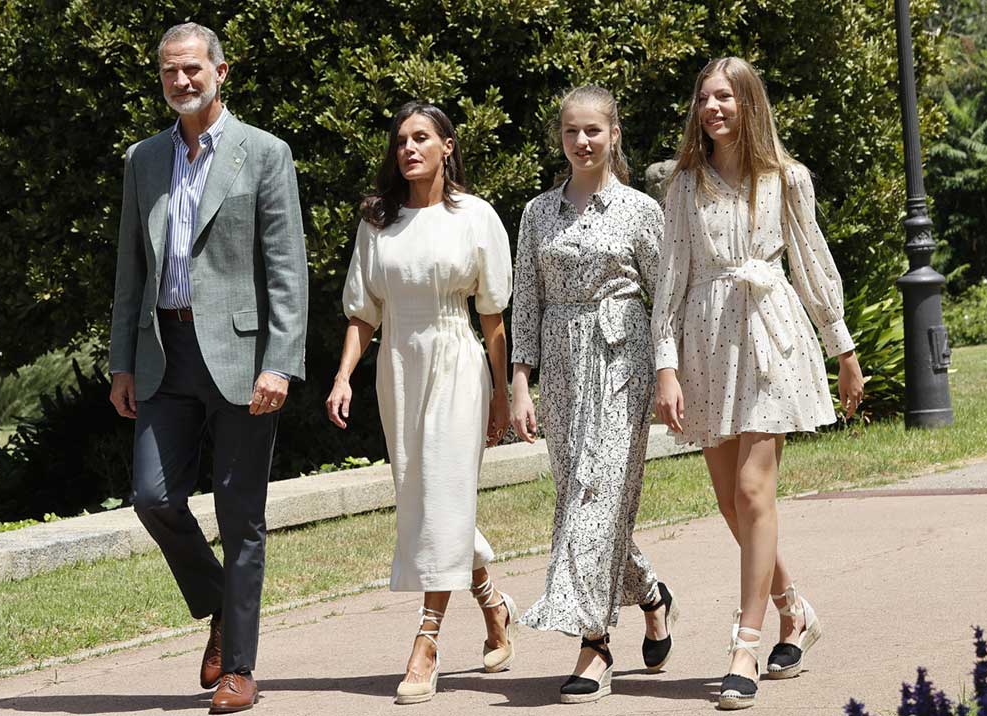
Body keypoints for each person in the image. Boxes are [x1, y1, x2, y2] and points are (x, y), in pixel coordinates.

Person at [652, 57, 865, 710]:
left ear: (748, 103)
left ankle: (744, 645)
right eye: (703, 98)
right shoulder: (683, 184)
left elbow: (812, 260)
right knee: (729, 503)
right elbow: (670, 275)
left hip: (770, 336)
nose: (711, 107)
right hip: (705, 340)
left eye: (725, 97)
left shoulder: (785, 177)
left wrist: (844, 348)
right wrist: (665, 363)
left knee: (753, 489)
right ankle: (792, 610)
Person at [108, 22, 307, 715]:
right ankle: (224, 605)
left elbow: (286, 270)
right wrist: (121, 363)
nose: (182, 81)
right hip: (162, 354)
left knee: (240, 514)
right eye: (170, 72)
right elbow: (130, 271)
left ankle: (241, 669)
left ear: (222, 72)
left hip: (245, 359)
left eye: (193, 69)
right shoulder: (142, 161)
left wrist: (281, 362)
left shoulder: (264, 153)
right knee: (153, 496)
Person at [325, 101, 516, 705]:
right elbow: (363, 311)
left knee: (444, 491)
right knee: (422, 495)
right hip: (397, 367)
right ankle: (493, 604)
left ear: (447, 147)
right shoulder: (377, 221)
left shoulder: (476, 217)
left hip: (459, 361)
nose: (409, 148)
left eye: (422, 138)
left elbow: (492, 315)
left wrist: (503, 395)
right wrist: (342, 377)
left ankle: (427, 641)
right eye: (401, 139)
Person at [509, 85, 680, 705]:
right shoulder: (536, 213)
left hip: (622, 361)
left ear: (613, 134)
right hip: (559, 365)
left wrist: (667, 372)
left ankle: (594, 640)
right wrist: (519, 382)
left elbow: (664, 300)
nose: (582, 142)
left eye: (593, 131)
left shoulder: (641, 210)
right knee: (584, 498)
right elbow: (525, 300)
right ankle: (652, 593)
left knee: (599, 499)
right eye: (571, 132)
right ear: (561, 138)